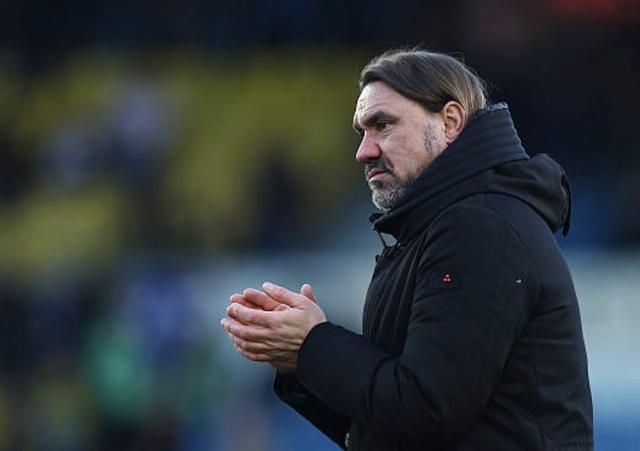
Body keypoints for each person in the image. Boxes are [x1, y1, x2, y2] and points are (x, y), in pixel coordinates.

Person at [220, 49, 594, 450]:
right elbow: (389, 428)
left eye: (383, 125)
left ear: (450, 122)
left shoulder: (480, 227)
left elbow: (427, 410)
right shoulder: (440, 229)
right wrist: (300, 360)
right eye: (362, 133)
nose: (364, 151)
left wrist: (314, 344)